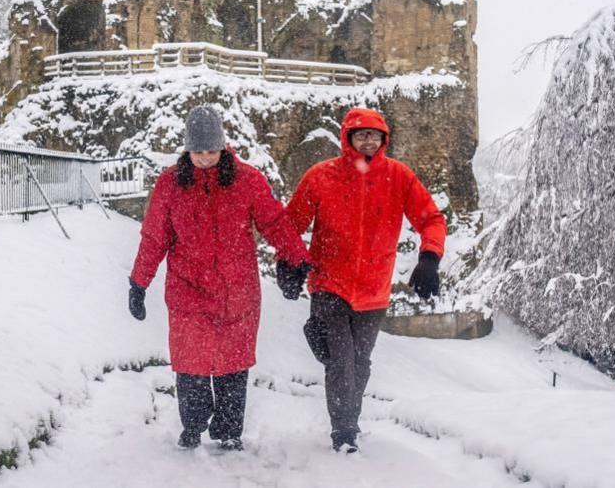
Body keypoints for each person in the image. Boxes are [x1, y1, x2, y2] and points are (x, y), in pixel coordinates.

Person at [127, 105, 311, 452]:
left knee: (233, 366)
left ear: (223, 146)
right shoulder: (169, 184)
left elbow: (274, 222)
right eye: (198, 151)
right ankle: (193, 426)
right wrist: (139, 282)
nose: (206, 158)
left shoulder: (248, 180)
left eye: (212, 150)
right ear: (187, 149)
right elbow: (155, 238)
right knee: (191, 365)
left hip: (237, 291)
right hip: (187, 291)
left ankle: (228, 431)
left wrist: (296, 259)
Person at [278, 107, 447, 453]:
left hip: (374, 290)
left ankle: (345, 413)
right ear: (348, 139)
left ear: (384, 139)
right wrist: (289, 262)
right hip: (329, 283)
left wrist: (430, 257)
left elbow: (431, 218)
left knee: (359, 362)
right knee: (341, 360)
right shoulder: (321, 176)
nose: (368, 140)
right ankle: (344, 431)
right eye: (361, 134)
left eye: (375, 134)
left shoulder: (398, 176)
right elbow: (290, 224)